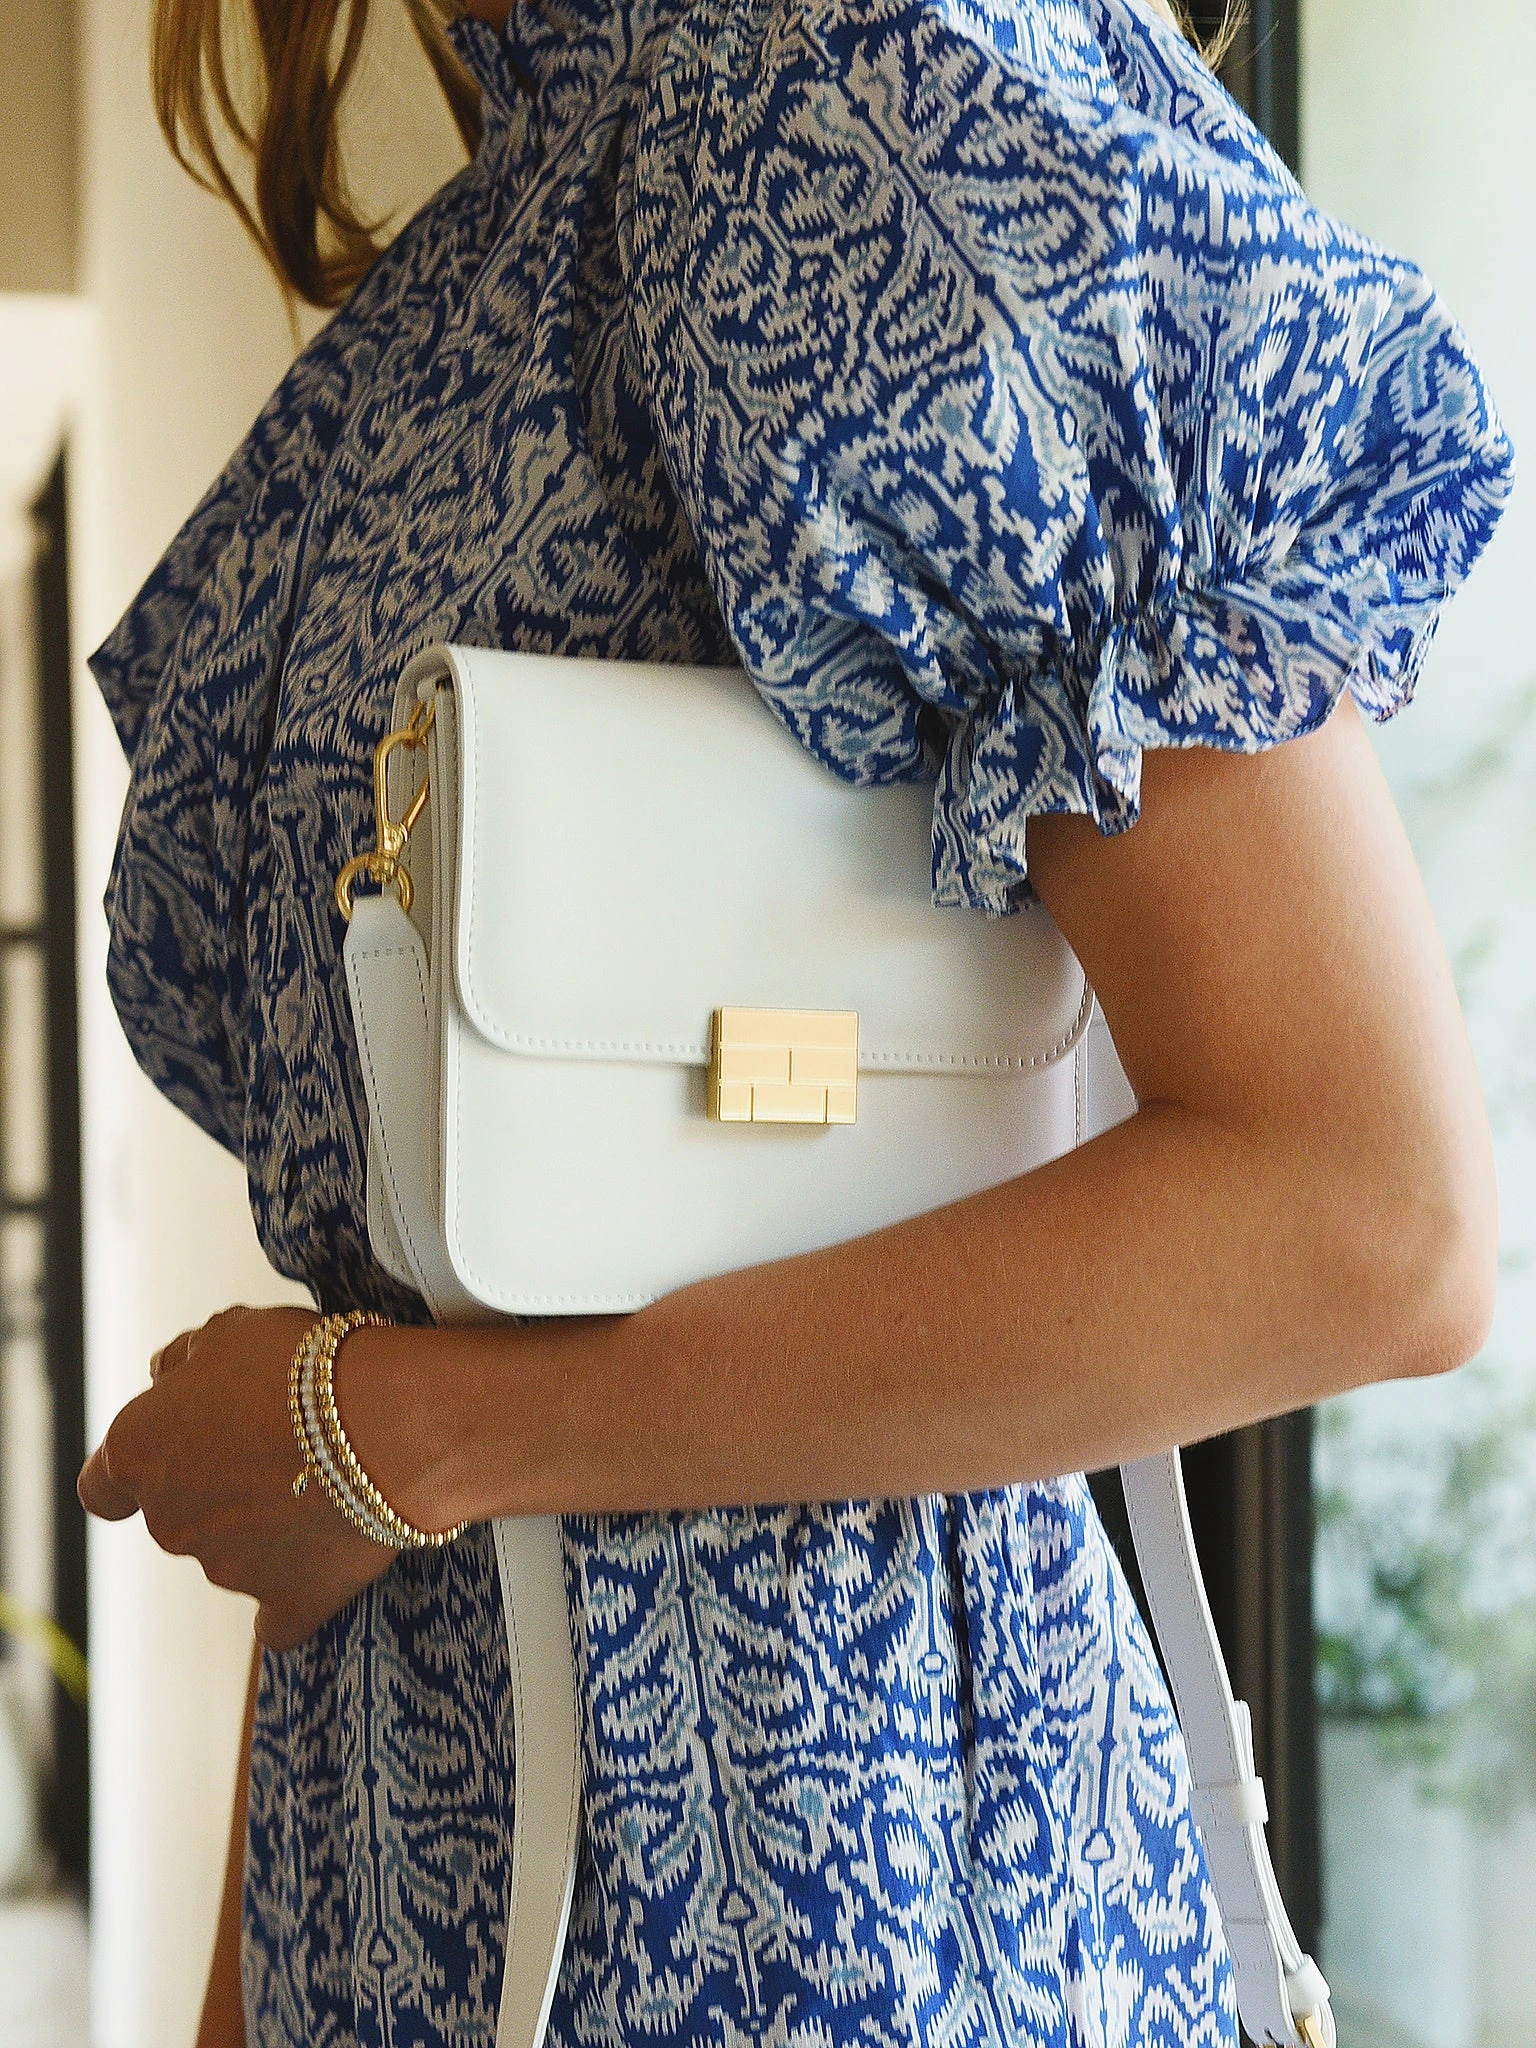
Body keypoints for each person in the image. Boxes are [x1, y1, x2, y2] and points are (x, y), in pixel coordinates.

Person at [77, 0, 1514, 2041]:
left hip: (840, 1923)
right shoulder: (459, 286)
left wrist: (403, 1433)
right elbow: (395, 1336)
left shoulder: (852, 108)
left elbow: (1361, 1218)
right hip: (402, 1912)